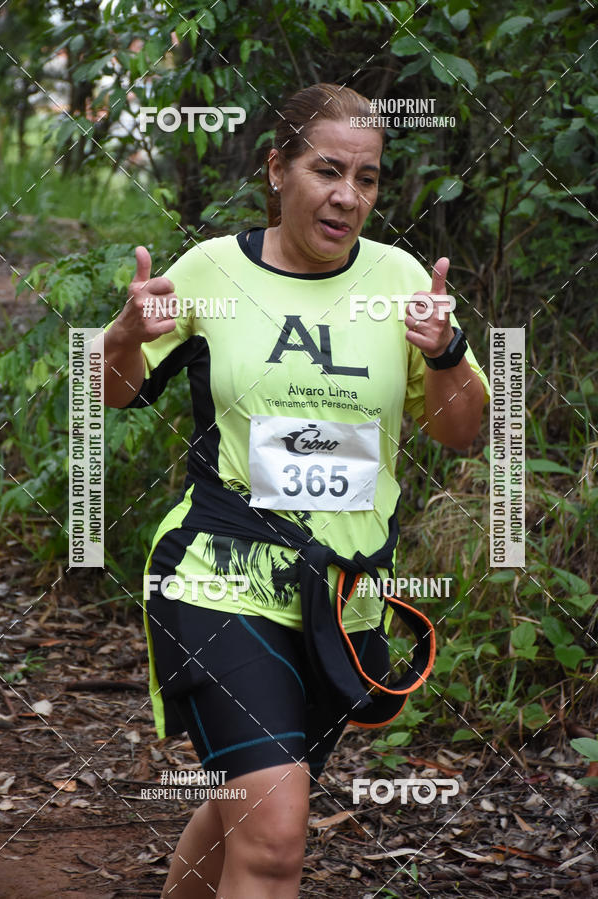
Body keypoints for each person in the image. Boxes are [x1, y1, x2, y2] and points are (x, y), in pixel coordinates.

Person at [103, 83, 489, 899]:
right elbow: (113, 389)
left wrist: (449, 351)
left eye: (369, 178)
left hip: (341, 598)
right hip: (219, 573)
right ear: (277, 169)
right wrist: (122, 335)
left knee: (244, 812)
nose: (348, 195)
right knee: (276, 835)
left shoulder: (401, 275)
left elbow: (462, 431)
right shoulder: (211, 268)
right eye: (326, 170)